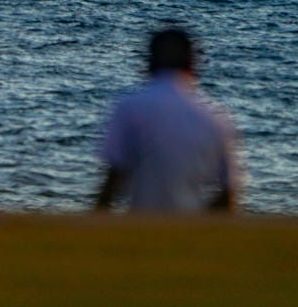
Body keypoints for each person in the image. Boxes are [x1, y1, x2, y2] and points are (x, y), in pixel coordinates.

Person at [95, 28, 240, 213]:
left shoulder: (130, 108)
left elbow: (114, 180)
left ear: (149, 63)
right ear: (192, 65)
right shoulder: (217, 119)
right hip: (192, 227)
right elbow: (229, 194)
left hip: (140, 223)